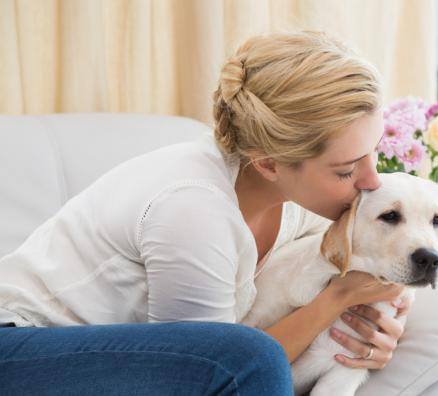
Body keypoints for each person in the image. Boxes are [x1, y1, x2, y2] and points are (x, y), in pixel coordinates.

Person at [0, 31, 409, 395]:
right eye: (346, 169)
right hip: (17, 348)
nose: (372, 180)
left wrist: (376, 323)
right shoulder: (192, 210)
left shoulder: (297, 201)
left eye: (372, 153)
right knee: (248, 357)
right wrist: (337, 298)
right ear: (268, 164)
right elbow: (218, 369)